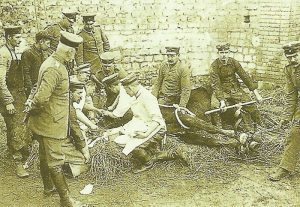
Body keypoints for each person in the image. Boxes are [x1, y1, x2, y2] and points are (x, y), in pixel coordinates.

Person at [25, 31, 85, 206]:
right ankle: (66, 200)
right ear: (69, 52)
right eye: (73, 53)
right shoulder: (55, 68)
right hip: (52, 122)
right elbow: (42, 96)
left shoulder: (50, 62)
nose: (73, 57)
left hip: (46, 121)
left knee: (44, 156)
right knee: (56, 161)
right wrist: (34, 107)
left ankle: (48, 188)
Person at [152, 45, 235, 143]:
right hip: (162, 99)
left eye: (172, 56)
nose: (170, 58)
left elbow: (186, 90)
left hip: (175, 100)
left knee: (181, 119)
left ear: (178, 55)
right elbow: (157, 83)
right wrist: (152, 99)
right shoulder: (163, 66)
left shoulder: (183, 69)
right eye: (168, 56)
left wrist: (182, 106)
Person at [108, 74, 166, 173]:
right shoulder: (136, 96)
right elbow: (137, 117)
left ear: (130, 87)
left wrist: (145, 134)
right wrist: (122, 130)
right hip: (142, 125)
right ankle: (151, 150)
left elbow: (157, 120)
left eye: (126, 91)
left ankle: (148, 161)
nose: (126, 93)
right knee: (121, 140)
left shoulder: (147, 97)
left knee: (132, 145)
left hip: (156, 128)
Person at [209, 43, 263, 131]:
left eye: (226, 52)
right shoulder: (214, 66)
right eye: (221, 52)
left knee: (250, 103)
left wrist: (256, 94)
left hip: (235, 89)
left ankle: (260, 124)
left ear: (229, 52)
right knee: (214, 107)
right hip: (221, 91)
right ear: (218, 53)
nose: (224, 55)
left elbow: (245, 77)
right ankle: (220, 129)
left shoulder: (234, 62)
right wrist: (222, 101)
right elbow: (216, 85)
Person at [0, 25, 31, 178]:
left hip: (19, 94)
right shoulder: (3, 53)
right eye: (17, 37)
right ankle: (18, 162)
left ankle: (13, 151)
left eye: (20, 36)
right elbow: (0, 81)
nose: (20, 39)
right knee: (16, 126)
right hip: (10, 96)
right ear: (9, 38)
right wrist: (7, 101)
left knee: (18, 124)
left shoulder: (13, 51)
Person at [269, 41, 300, 181]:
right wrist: (286, 117)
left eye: (295, 56)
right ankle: (286, 168)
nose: (292, 59)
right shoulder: (289, 70)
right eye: (289, 57)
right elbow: (291, 95)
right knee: (294, 133)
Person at [20, 30, 51, 97]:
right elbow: (26, 73)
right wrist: (31, 91)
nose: (49, 46)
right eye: (48, 43)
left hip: (39, 87)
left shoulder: (42, 52)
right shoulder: (28, 53)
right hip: (32, 89)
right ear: (41, 41)